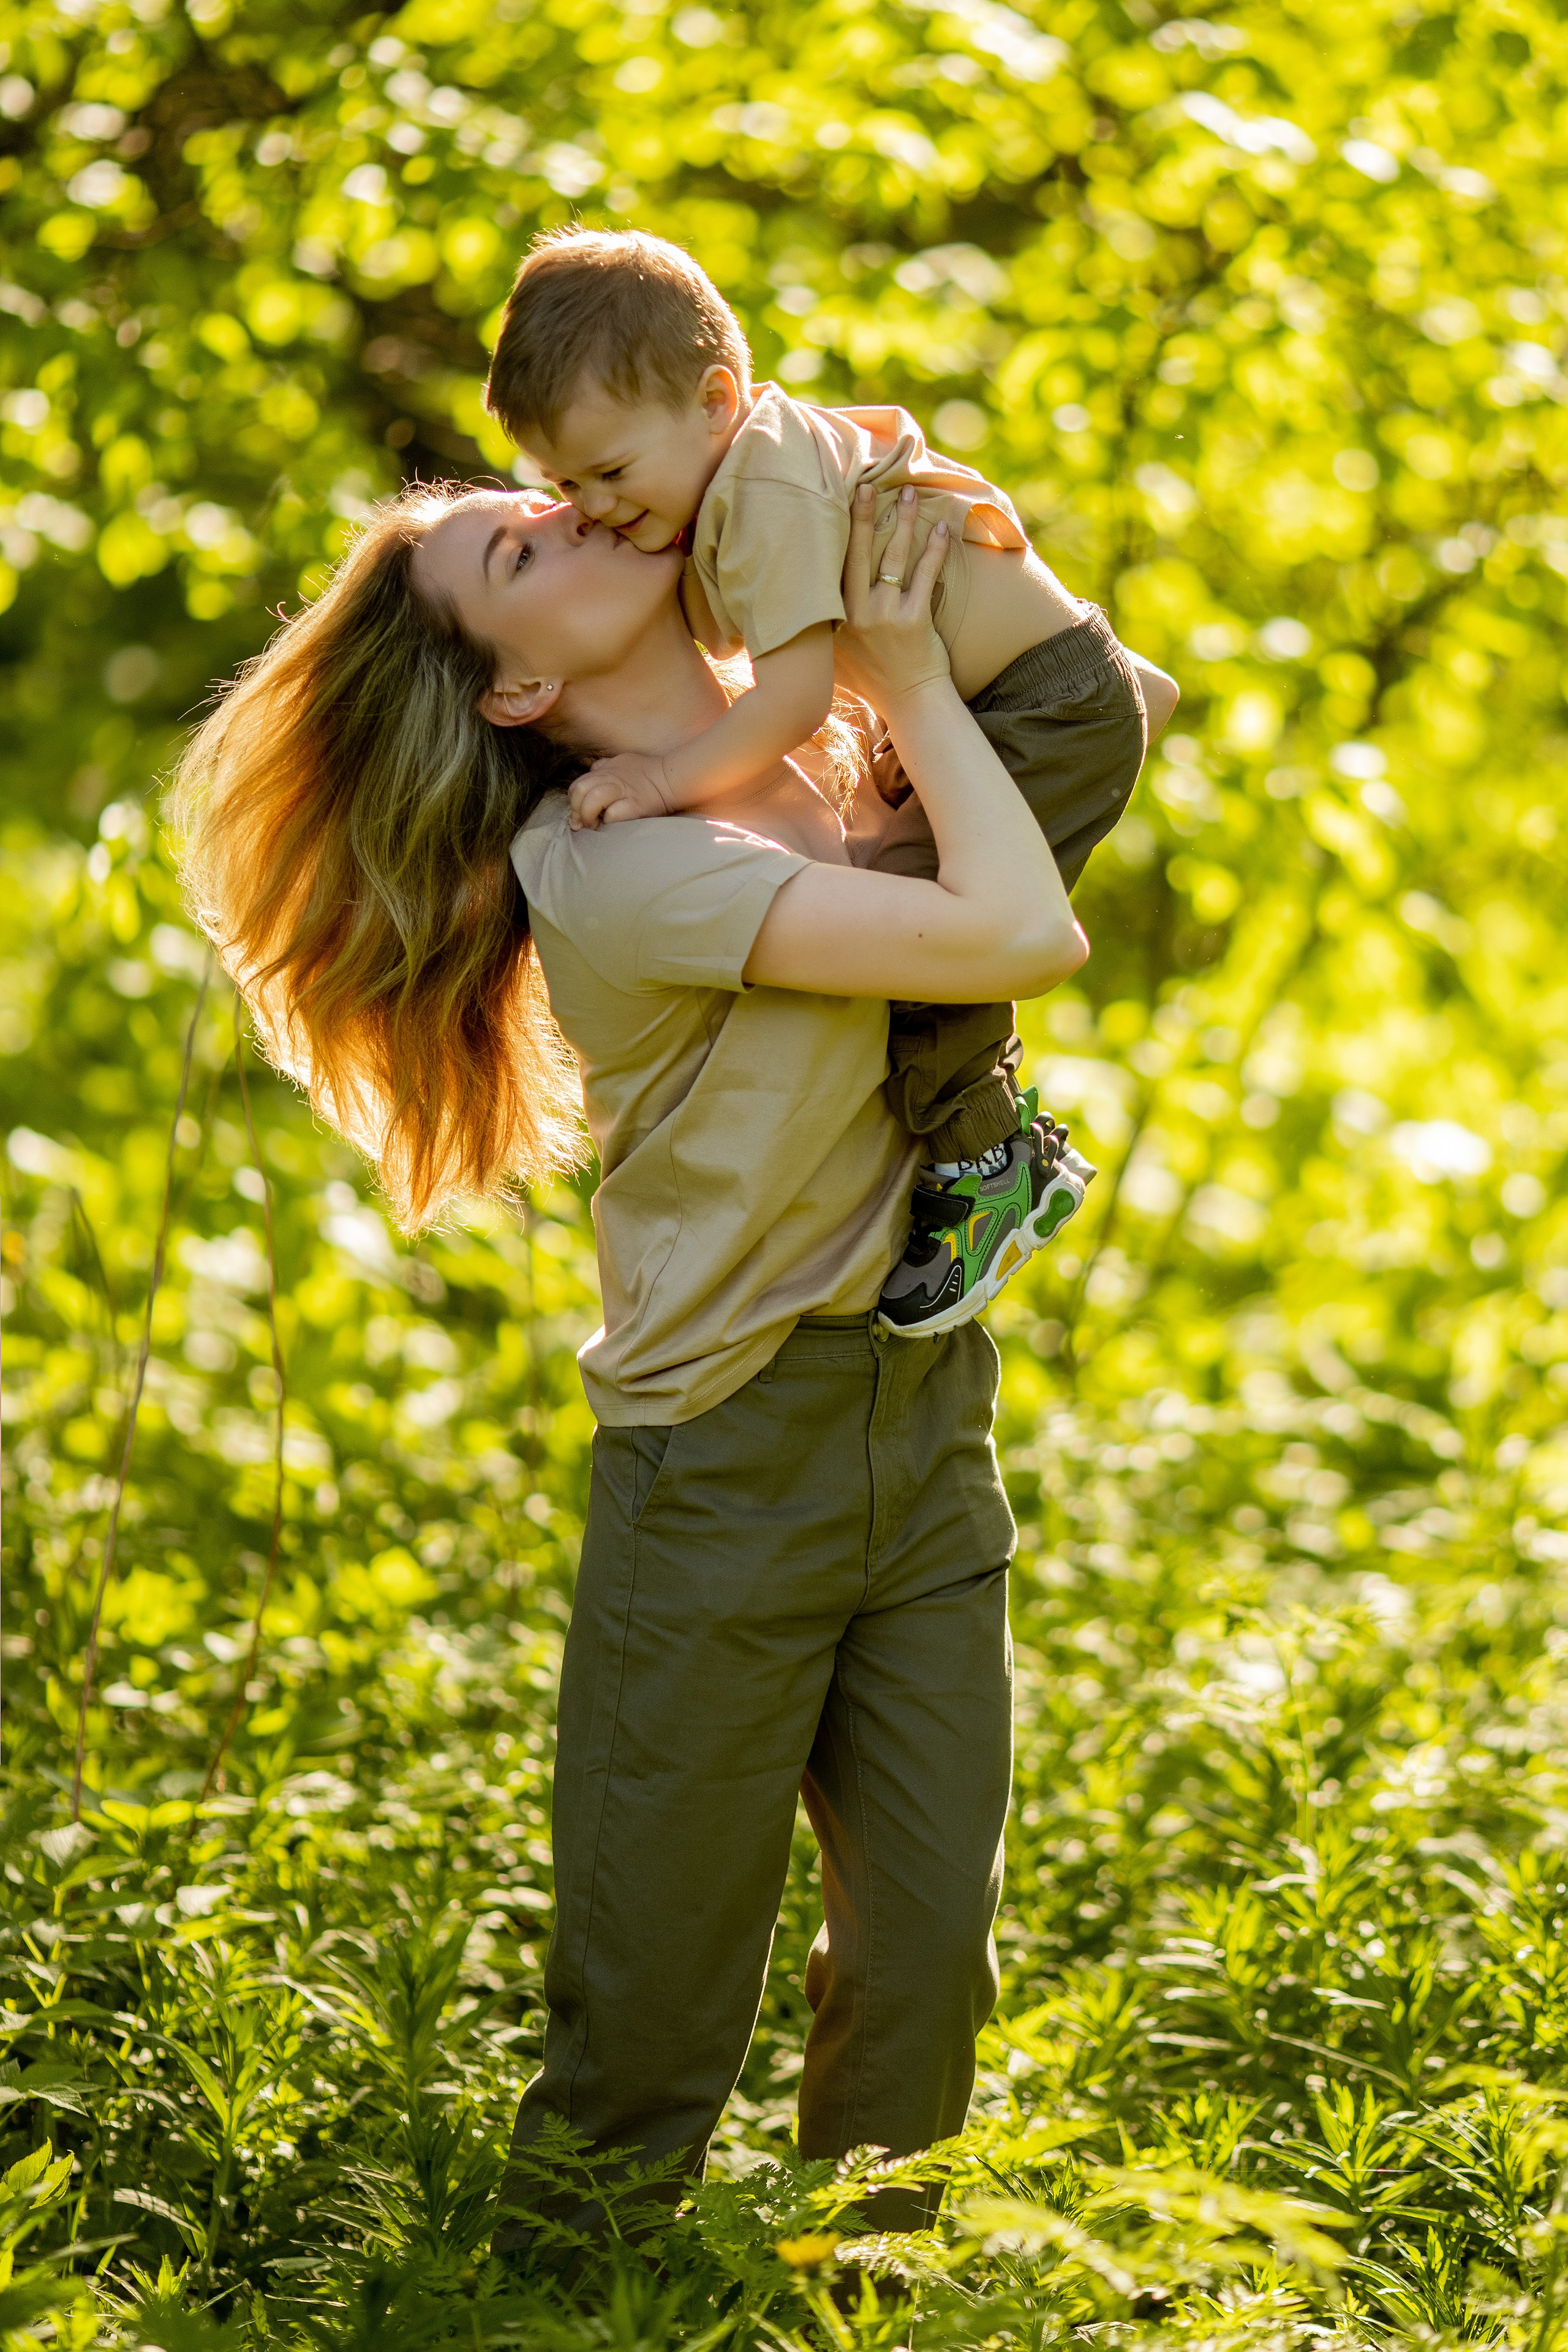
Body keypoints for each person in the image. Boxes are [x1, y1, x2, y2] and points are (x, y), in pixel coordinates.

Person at [168, 473, 1085, 2252]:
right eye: (522, 551)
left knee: (926, 1973)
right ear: (514, 688)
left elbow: (1113, 717)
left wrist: (990, 555)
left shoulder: (806, 758)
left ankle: (867, 2295)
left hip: (921, 1416)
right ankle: (555, 2301)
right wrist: (904, 668)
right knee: (649, 2027)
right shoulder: (616, 865)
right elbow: (1017, 932)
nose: (578, 513)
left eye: (555, 495)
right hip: (724, 1459)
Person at [483, 226, 1178, 1336]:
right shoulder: (748, 467)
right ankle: (983, 1143)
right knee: (895, 897)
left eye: (611, 474)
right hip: (1030, 694)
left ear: (717, 400)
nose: (594, 507)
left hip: (1032, 709)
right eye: (565, 483)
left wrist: (666, 778)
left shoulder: (761, 494)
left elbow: (794, 699)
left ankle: (993, 1162)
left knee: (924, 944)